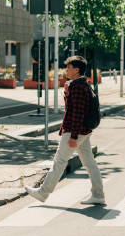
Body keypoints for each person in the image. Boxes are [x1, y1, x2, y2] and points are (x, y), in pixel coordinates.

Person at [25, 56, 105, 205]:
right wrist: (67, 93)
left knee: (60, 161)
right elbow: (73, 108)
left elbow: (77, 114)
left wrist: (73, 136)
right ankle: (98, 194)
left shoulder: (79, 87)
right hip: (83, 131)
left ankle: (43, 193)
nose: (66, 69)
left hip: (75, 131)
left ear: (77, 69)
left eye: (68, 67)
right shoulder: (81, 84)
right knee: (89, 162)